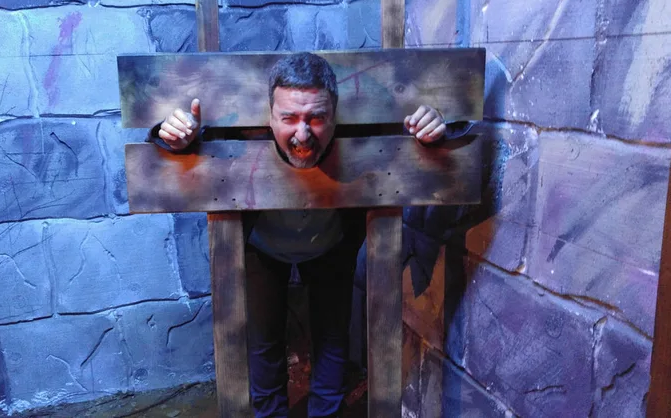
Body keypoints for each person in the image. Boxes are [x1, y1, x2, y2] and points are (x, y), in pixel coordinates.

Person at [148, 52, 469, 418]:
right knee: (263, 344)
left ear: (336, 116)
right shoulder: (240, 132)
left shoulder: (361, 132)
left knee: (332, 341)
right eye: (289, 118)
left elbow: (425, 136)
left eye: (316, 118)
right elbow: (173, 142)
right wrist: (172, 136)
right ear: (269, 118)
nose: (303, 134)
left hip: (331, 242)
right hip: (261, 245)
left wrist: (436, 129)